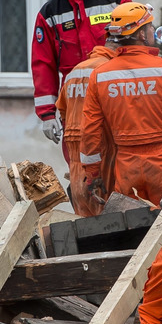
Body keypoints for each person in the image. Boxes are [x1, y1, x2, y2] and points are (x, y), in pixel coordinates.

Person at [80, 2, 162, 208]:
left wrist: (92, 173)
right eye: (150, 27)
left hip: (127, 167)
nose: (153, 30)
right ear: (143, 35)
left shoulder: (99, 76)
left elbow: (90, 131)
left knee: (133, 230)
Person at [32, 0, 132, 146]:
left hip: (116, 94)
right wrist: (47, 114)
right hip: (75, 101)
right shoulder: (49, 15)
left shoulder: (116, 0)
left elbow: (136, 47)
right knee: (80, 164)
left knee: (122, 161)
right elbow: (43, 65)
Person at [55, 35, 121, 217]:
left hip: (76, 153)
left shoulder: (76, 71)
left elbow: (62, 110)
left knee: (83, 217)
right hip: (101, 149)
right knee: (107, 217)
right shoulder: (108, 70)